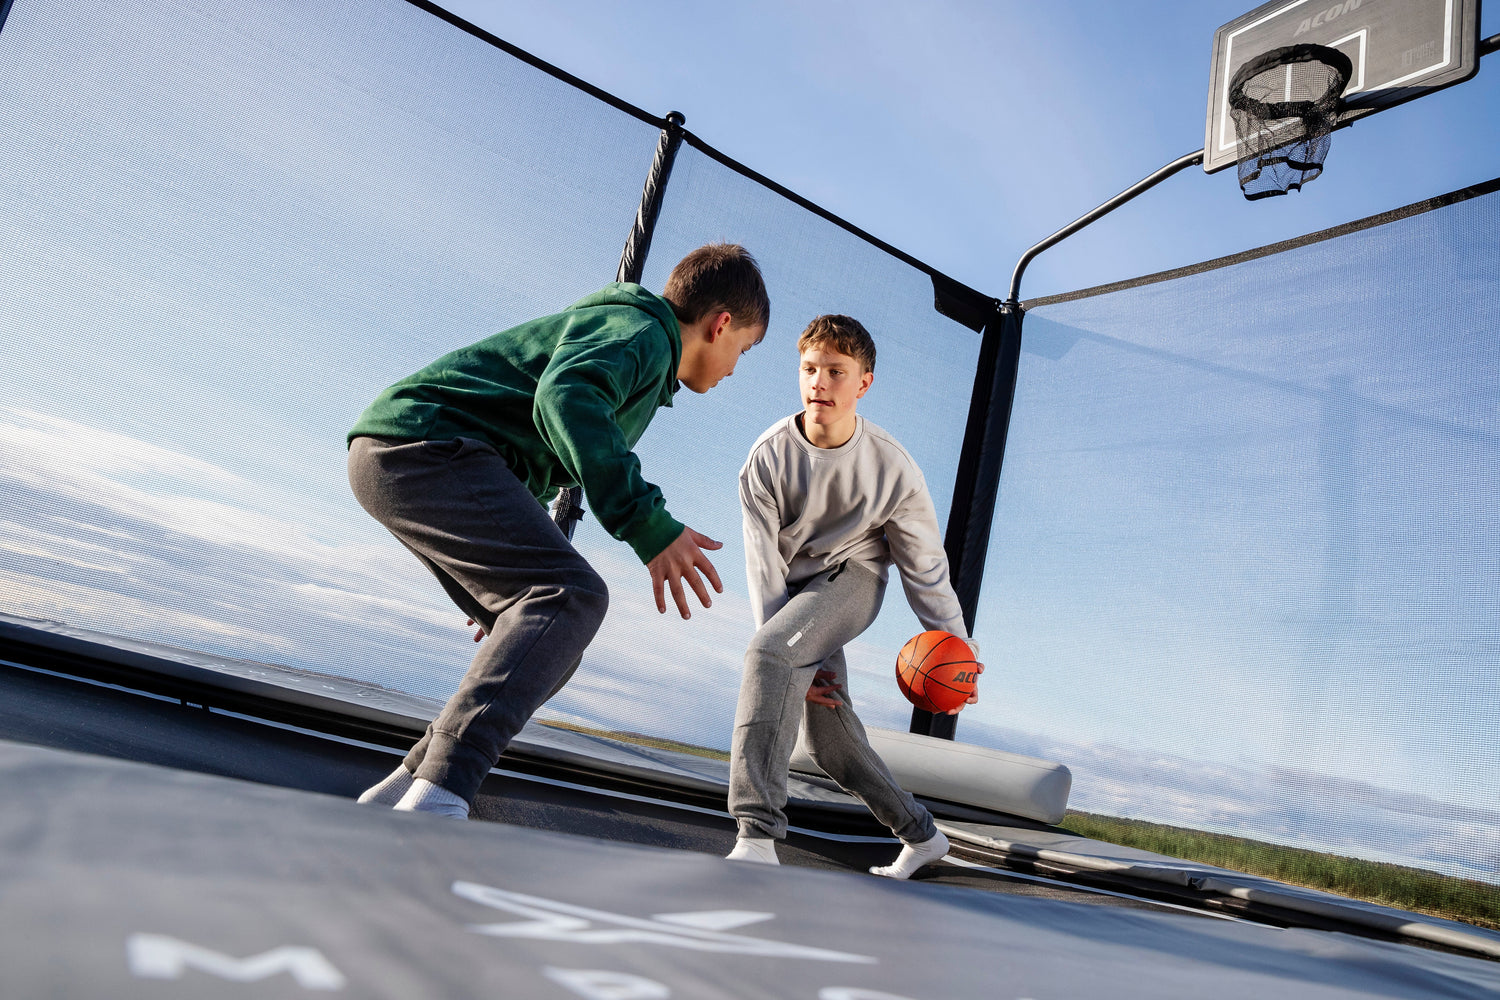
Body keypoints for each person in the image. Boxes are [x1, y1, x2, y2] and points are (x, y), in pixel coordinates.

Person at [348, 243, 770, 819]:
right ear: (721, 325)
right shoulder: (641, 334)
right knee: (572, 597)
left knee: (547, 636)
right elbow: (567, 396)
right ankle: (443, 795)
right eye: (742, 350)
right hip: (425, 446)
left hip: (402, 453)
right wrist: (648, 524)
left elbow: (530, 449)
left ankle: (408, 785)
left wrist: (507, 562)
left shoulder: (631, 339)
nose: (732, 369)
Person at [726, 314, 981, 878]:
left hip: (856, 577)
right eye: (810, 369)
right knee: (829, 742)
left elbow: (925, 568)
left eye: (836, 372)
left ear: (863, 383)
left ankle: (756, 835)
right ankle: (922, 835)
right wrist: (795, 651)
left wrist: (960, 649)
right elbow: (764, 570)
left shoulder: (893, 468)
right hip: (793, 594)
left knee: (767, 655)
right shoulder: (765, 459)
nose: (820, 382)